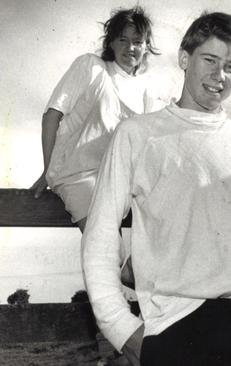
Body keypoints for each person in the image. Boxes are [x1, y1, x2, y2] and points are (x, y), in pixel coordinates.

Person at [82, 12, 231, 366]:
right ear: (185, 59)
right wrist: (122, 329)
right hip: (170, 326)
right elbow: (101, 236)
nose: (219, 75)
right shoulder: (137, 135)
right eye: (209, 60)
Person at [30, 6, 160, 232]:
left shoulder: (147, 89)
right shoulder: (91, 67)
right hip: (78, 176)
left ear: (146, 47)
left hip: (120, 182)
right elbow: (51, 116)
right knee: (106, 252)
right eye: (122, 40)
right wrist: (48, 171)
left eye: (137, 42)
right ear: (110, 43)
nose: (130, 48)